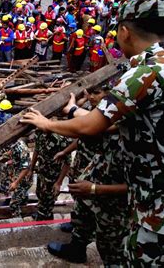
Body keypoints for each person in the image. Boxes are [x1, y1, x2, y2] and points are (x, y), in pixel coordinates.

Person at [21, 0, 164, 266]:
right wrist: (71, 111)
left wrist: (47, 124)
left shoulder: (142, 75)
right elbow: (118, 119)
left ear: (125, 32)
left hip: (160, 209)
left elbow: (93, 125)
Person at [47, 85, 130, 265]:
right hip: (96, 170)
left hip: (111, 190)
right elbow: (84, 131)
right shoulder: (99, 113)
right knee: (82, 210)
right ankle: (77, 246)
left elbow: (138, 185)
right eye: (90, 92)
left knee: (111, 244)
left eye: (97, 92)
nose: (92, 97)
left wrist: (56, 119)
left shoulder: (126, 126)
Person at [28, 131, 71, 221]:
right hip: (41, 173)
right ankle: (42, 213)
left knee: (48, 200)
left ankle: (44, 221)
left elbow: (67, 163)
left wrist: (59, 183)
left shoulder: (62, 139)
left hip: (53, 177)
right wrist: (31, 169)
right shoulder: (39, 133)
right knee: (40, 194)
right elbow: (36, 150)